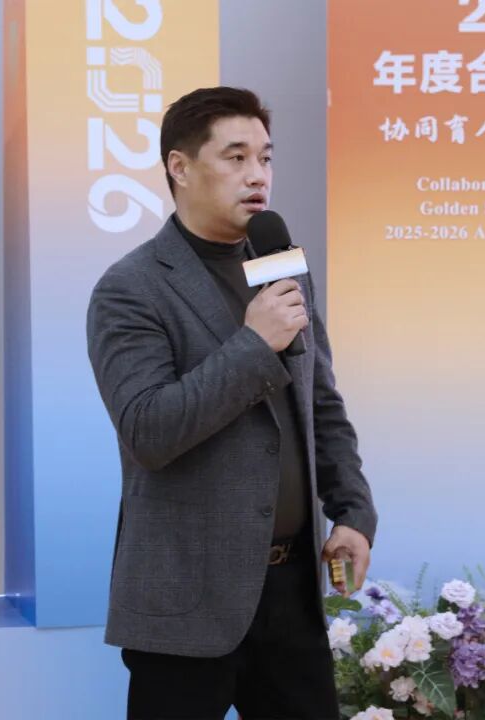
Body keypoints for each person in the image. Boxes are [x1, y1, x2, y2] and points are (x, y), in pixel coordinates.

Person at [86, 86, 377, 719]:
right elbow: (149, 431)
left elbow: (320, 402)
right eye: (236, 156)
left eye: (266, 158)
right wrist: (253, 344)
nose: (257, 175)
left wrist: (352, 510)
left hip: (290, 592)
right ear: (180, 167)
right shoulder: (130, 288)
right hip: (186, 599)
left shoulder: (281, 266)